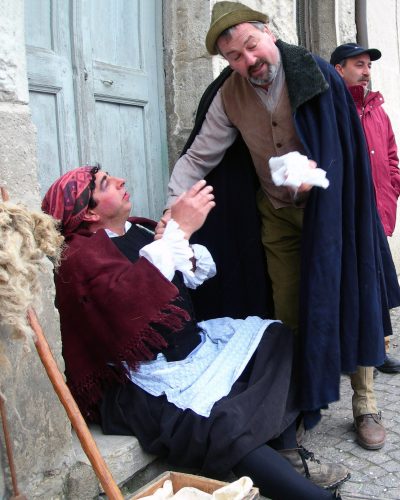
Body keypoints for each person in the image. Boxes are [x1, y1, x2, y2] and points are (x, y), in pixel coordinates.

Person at [163, 1, 400, 449]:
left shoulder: (317, 75)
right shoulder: (227, 95)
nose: (249, 62)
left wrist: (318, 171)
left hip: (333, 214)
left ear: (268, 33)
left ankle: (365, 402)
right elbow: (199, 156)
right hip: (277, 216)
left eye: (252, 47)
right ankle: (295, 406)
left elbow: (344, 148)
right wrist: (172, 211)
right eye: (235, 57)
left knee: (354, 296)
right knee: (289, 311)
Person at [42, 165, 349, 500]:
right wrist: (178, 232)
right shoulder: (79, 257)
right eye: (105, 184)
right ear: (88, 212)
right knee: (218, 426)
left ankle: (284, 449)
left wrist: (177, 238)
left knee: (278, 339)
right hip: (146, 375)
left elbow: (190, 273)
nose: (121, 181)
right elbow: (128, 302)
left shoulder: (139, 231)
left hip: (193, 347)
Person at [331, 43, 400, 378]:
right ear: (338, 69)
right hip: (348, 216)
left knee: (377, 285)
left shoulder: (377, 110)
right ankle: (346, 348)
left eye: (368, 65)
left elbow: (391, 157)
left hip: (378, 211)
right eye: (359, 64)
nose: (367, 70)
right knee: (350, 282)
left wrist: (391, 193)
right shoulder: (331, 109)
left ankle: (379, 349)